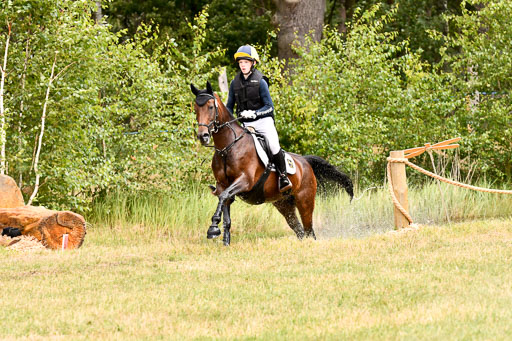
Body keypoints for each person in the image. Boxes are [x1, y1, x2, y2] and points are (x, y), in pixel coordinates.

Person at [226, 45, 292, 193]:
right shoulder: (234, 83)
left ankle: (283, 176)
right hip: (244, 124)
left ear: (253, 63)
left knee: (274, 145)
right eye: (241, 62)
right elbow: (229, 107)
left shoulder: (261, 81)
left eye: (246, 62)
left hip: (263, 122)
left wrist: (255, 114)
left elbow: (270, 106)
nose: (243, 65)